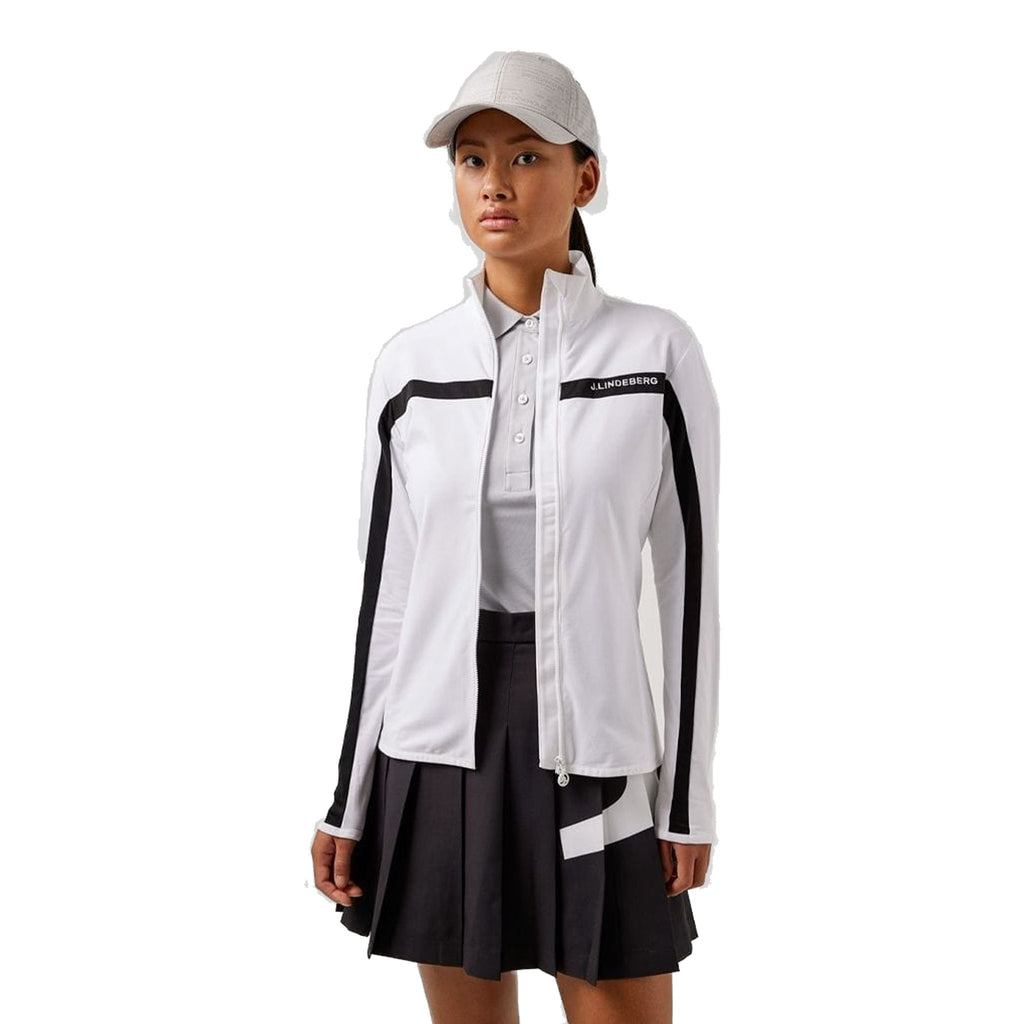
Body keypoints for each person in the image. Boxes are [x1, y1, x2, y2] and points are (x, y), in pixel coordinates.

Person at [311, 50, 721, 1024]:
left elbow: (687, 582)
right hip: (437, 748)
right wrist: (348, 797)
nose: (495, 182)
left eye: (527, 156)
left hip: (597, 746)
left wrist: (686, 799)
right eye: (473, 159)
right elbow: (387, 602)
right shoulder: (410, 367)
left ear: (585, 177)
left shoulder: (655, 354)